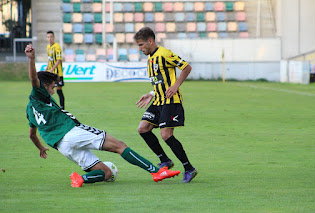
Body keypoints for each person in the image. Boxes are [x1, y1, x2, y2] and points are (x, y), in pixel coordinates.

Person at [24, 44, 180, 187]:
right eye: (51, 87)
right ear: (43, 87)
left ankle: (80, 178)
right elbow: (33, 79)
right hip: (72, 132)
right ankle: (157, 172)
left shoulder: (29, 110)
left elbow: (32, 135)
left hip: (62, 147)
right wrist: (32, 59)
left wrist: (41, 148)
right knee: (120, 146)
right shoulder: (39, 93)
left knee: (106, 173)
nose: (53, 91)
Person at [134, 27, 197, 183]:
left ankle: (189, 168)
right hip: (157, 100)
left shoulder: (164, 54)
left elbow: (186, 67)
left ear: (150, 41)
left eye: (141, 45)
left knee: (166, 135)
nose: (140, 49)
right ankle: (165, 160)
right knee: (143, 129)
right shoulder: (151, 58)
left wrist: (176, 86)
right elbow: (160, 81)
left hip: (171, 101)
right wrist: (151, 93)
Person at [46, 31, 65, 109]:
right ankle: (49, 106)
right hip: (51, 73)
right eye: (48, 37)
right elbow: (49, 60)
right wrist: (46, 69)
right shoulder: (48, 47)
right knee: (48, 89)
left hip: (57, 73)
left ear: (53, 37)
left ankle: (62, 108)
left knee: (58, 90)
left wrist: (52, 69)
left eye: (51, 37)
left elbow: (59, 60)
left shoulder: (57, 46)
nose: (49, 39)